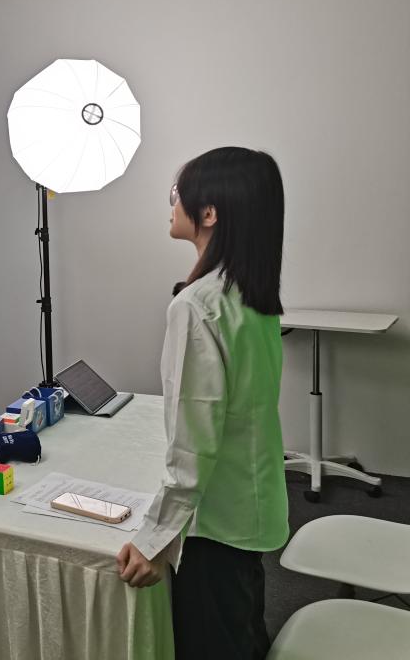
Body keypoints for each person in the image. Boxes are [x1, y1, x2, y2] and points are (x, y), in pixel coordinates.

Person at [116, 146, 290, 660]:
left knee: (215, 641)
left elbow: (195, 445)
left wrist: (155, 540)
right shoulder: (251, 294)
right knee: (242, 627)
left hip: (215, 526)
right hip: (251, 503)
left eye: (178, 194)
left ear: (209, 212)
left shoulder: (197, 305)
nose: (173, 204)